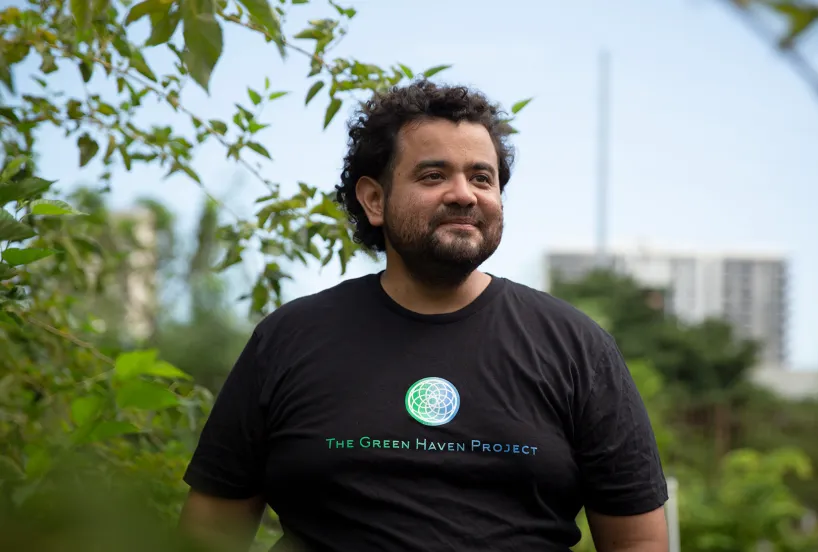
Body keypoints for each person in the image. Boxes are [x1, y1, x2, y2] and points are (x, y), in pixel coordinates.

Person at [178, 80, 669, 552]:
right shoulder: (288, 340)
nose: (464, 194)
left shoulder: (576, 347)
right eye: (434, 176)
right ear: (374, 200)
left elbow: (637, 541)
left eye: (482, 177)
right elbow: (209, 534)